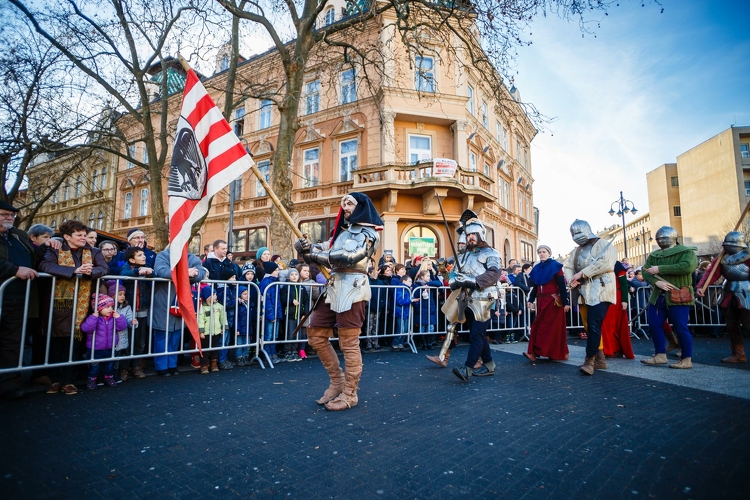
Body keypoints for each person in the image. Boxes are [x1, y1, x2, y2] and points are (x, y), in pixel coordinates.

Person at [294, 192, 383, 411]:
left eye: (350, 204)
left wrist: (314, 255)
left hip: (353, 288)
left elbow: (349, 257)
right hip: (333, 287)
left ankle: (351, 394)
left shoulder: (368, 233)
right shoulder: (340, 234)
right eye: (343, 204)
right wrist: (304, 247)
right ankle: (337, 382)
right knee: (315, 334)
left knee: (349, 342)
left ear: (361, 207)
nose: (345, 208)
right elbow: (322, 250)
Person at [39, 220, 109, 395]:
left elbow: (104, 268)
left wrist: (89, 272)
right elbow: (45, 266)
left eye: (84, 235)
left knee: (76, 342)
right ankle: (55, 379)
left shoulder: (94, 251)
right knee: (57, 342)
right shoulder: (55, 248)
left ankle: (68, 380)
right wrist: (75, 271)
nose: (83, 238)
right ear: (67, 237)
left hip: (83, 303)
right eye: (79, 235)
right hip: (60, 303)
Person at [439, 211, 502, 382]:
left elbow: (494, 274)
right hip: (467, 298)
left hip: (483, 297)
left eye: (473, 234)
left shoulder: (491, 253)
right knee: (477, 335)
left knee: (476, 335)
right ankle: (489, 366)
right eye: (468, 235)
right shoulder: (465, 255)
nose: (470, 238)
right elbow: (455, 278)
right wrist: (445, 271)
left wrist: (472, 279)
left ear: (481, 234)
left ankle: (467, 369)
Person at [0, 203, 53, 400]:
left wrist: (45, 246)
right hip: (2, 292)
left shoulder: (19, 236)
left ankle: (9, 385)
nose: (9, 218)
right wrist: (13, 270)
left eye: (12, 215)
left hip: (19, 297)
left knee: (12, 342)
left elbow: (34, 259)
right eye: (4, 214)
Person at [563, 219, 617, 376]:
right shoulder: (577, 250)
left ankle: (589, 361)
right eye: (574, 233)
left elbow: (606, 263)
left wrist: (583, 273)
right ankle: (600, 360)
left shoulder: (603, 244)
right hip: (583, 291)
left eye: (579, 232)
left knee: (593, 325)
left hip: (601, 289)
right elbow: (568, 266)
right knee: (588, 326)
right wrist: (571, 278)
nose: (576, 236)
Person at [640, 226, 698, 369]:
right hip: (658, 296)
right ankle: (660, 355)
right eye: (658, 239)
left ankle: (686, 359)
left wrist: (660, 269)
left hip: (679, 296)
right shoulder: (654, 255)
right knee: (654, 325)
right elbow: (645, 271)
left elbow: (687, 267)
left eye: (663, 238)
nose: (660, 241)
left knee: (680, 327)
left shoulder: (686, 252)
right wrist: (656, 281)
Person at [151, 248, 206, 376]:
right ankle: (161, 366)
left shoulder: (191, 257)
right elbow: (161, 271)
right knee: (162, 335)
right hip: (164, 302)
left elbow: (201, 272)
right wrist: (185, 273)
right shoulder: (163, 256)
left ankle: (172, 364)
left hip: (181, 302)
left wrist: (193, 274)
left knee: (175, 336)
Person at [697, 231, 748, 363]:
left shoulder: (747, 257)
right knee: (731, 325)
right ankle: (739, 354)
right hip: (728, 292)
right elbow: (711, 273)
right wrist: (701, 286)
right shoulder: (721, 258)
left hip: (747, 291)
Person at [524, 245, 570, 362]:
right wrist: (530, 300)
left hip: (552, 302)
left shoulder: (556, 266)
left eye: (544, 252)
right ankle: (534, 352)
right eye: (539, 252)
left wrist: (565, 302)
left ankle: (554, 352)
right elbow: (536, 287)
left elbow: (561, 286)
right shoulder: (537, 268)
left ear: (549, 253)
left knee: (552, 328)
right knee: (538, 327)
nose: (541, 254)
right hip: (541, 301)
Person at [204, 239, 241, 369]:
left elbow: (235, 276)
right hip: (215, 299)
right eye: (223, 248)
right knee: (216, 332)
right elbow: (205, 280)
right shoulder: (208, 262)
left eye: (226, 248)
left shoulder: (228, 262)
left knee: (225, 330)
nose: (226, 251)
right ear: (215, 249)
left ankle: (222, 358)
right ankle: (214, 360)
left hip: (228, 298)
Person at [119, 246, 155, 378]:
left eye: (143, 254)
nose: (144, 257)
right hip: (130, 309)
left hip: (143, 309)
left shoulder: (148, 266)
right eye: (140, 255)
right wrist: (139, 272)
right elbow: (123, 275)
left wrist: (149, 273)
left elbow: (154, 274)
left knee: (140, 341)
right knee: (127, 340)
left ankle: (137, 366)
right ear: (131, 260)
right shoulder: (127, 268)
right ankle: (124, 367)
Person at [81, 294, 127, 390]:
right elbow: (86, 329)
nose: (110, 309)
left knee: (109, 366)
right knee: (94, 367)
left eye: (111, 306)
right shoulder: (94, 318)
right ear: (98, 308)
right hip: (95, 349)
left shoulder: (113, 318)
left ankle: (109, 378)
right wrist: (94, 317)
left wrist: (119, 317)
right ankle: (91, 380)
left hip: (110, 348)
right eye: (106, 307)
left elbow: (122, 327)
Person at [600, 261, 635, 359]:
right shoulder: (600, 262)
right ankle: (608, 349)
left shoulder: (617, 265)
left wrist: (624, 300)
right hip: (604, 296)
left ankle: (613, 349)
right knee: (606, 324)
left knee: (612, 324)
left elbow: (624, 283)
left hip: (616, 296)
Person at [280, 267, 309, 362]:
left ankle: (295, 351)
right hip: (289, 315)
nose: (294, 276)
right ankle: (288, 351)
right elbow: (282, 299)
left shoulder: (302, 287)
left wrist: (305, 313)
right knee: (289, 333)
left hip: (299, 315)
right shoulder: (286, 287)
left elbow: (306, 301)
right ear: (288, 277)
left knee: (298, 333)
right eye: (292, 275)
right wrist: (291, 301)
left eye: (295, 274)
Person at [197, 286, 227, 374]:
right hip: (206, 332)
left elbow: (223, 318)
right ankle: (204, 365)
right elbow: (200, 320)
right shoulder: (202, 307)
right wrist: (201, 331)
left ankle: (214, 364)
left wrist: (223, 327)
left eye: (216, 294)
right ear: (207, 297)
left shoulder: (219, 306)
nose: (216, 296)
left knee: (215, 349)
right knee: (205, 350)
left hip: (216, 332)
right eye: (214, 295)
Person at [260, 261, 284, 364]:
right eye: (276, 270)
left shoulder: (275, 281)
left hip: (275, 313)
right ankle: (268, 354)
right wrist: (271, 315)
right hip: (270, 314)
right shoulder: (266, 282)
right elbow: (266, 300)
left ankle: (273, 353)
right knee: (268, 335)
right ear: (271, 271)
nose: (278, 272)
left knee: (274, 335)